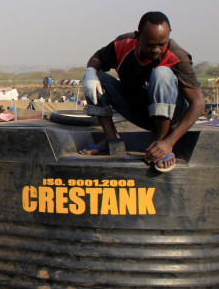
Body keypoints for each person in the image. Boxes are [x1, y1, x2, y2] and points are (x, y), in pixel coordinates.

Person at [81, 11, 205, 172]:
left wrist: (169, 142)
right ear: (137, 37)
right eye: (150, 45)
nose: (156, 50)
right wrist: (90, 71)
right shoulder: (123, 44)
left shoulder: (177, 56)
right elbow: (98, 57)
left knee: (162, 73)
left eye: (162, 44)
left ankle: (160, 142)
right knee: (94, 76)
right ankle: (112, 138)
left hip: (171, 115)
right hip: (140, 111)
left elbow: (198, 103)